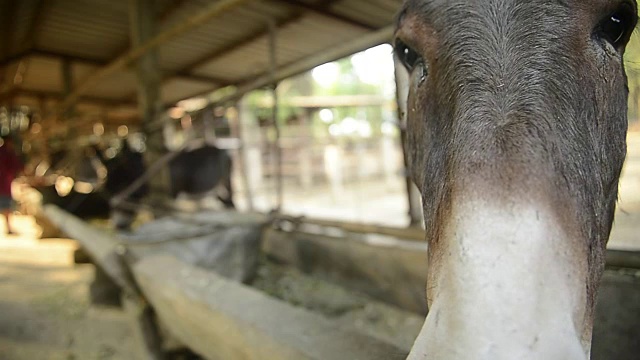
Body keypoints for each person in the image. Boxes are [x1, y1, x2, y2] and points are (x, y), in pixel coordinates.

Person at [0, 137, 23, 235]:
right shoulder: (7, 153)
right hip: (4, 184)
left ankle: (8, 227)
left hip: (4, 183)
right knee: (6, 207)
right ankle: (8, 228)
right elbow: (16, 166)